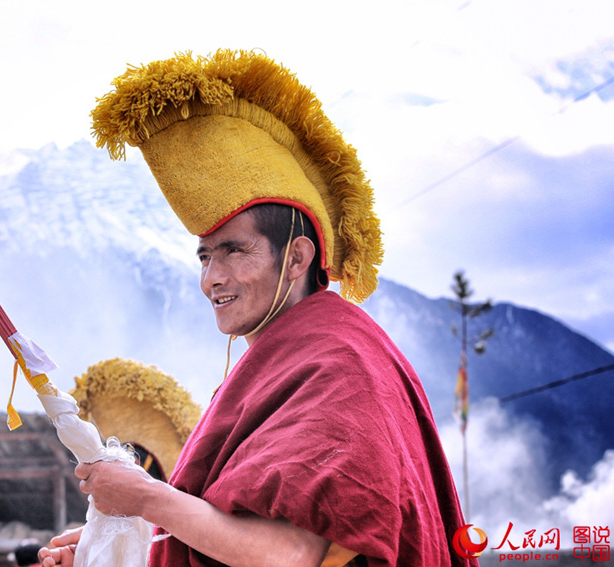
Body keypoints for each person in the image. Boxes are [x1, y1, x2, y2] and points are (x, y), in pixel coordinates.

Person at [40, 49, 474, 567]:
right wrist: (121, 543)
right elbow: (231, 529)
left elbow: (288, 554)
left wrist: (144, 497)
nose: (212, 279)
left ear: (296, 257)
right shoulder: (283, 359)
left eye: (234, 250)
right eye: (204, 256)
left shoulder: (338, 364)